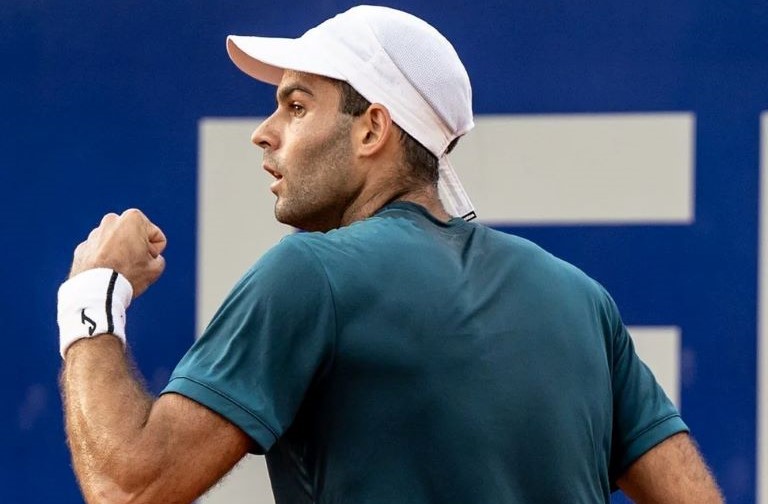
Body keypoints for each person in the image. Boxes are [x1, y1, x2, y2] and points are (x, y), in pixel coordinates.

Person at [57, 5, 724, 504]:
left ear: (373, 128)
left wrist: (93, 293)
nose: (264, 134)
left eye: (296, 106)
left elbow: (128, 485)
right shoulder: (582, 300)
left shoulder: (308, 274)